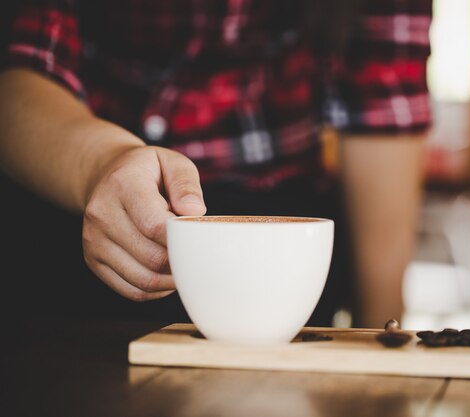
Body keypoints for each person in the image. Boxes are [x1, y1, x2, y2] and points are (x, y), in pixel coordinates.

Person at [0, 0, 432, 328]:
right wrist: (102, 162)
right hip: (76, 204)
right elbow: (20, 72)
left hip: (283, 247)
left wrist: (382, 338)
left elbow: (383, 113)